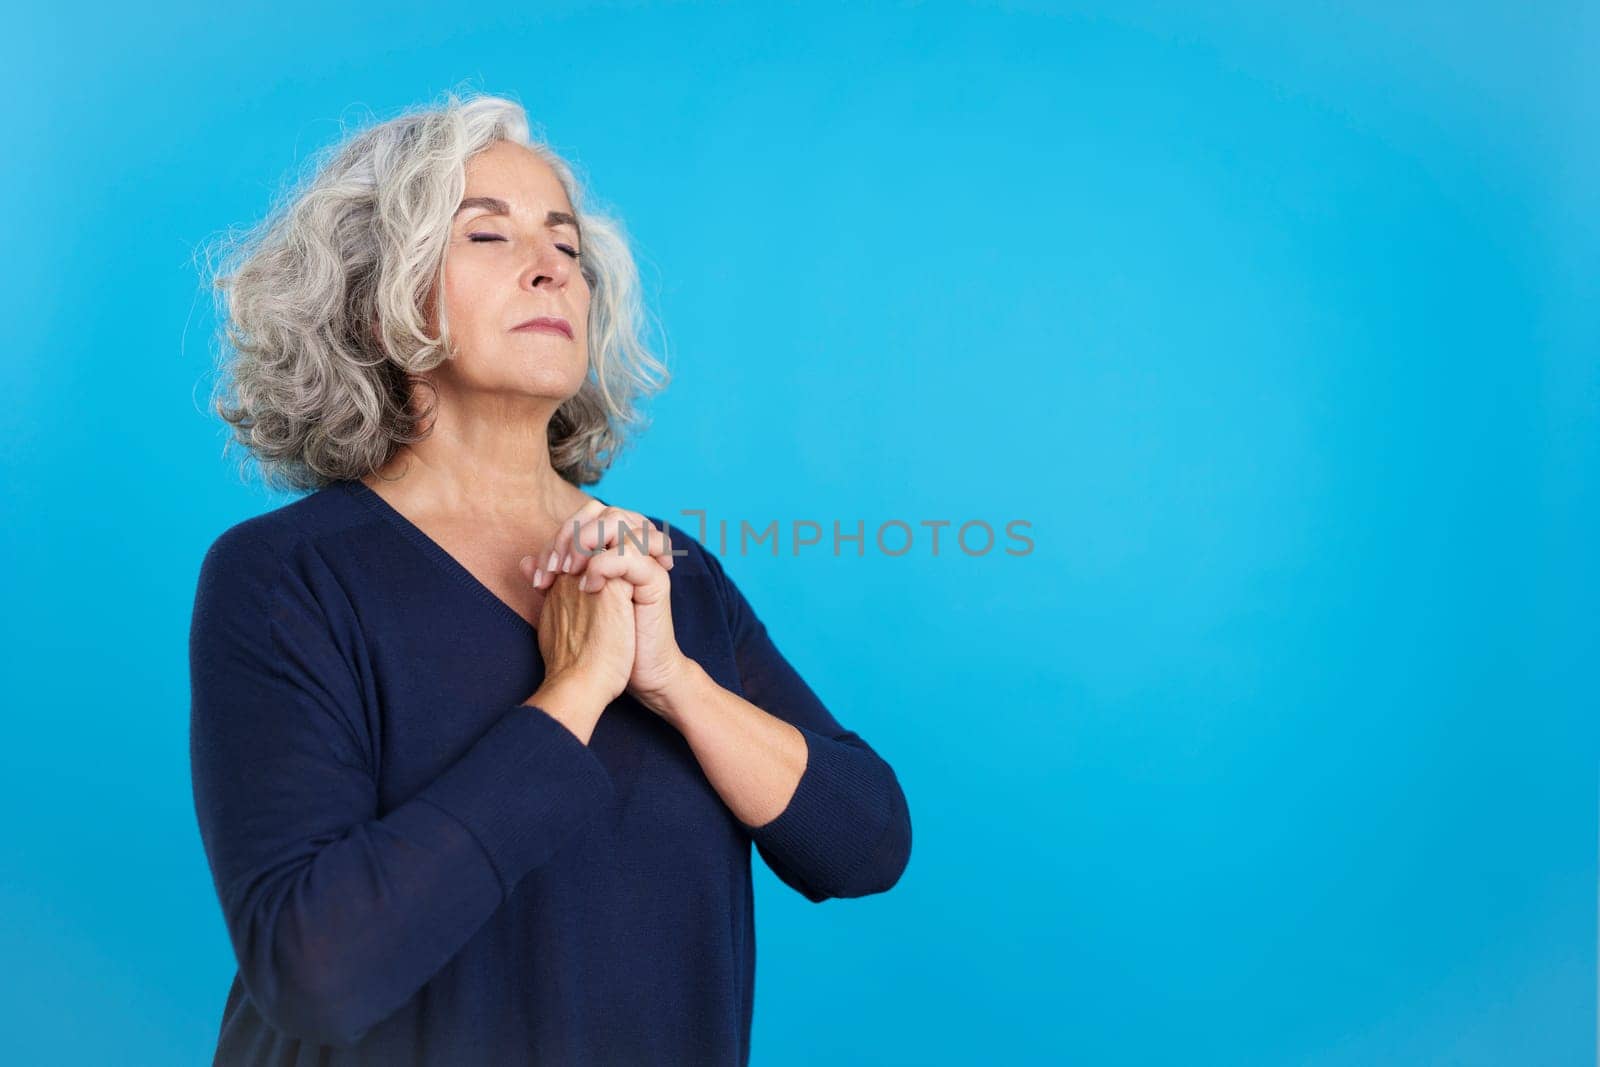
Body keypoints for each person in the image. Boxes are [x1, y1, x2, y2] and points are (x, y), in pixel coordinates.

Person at [188, 90, 912, 1066]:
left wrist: (678, 685)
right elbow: (319, 969)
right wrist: (570, 693)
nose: (549, 270)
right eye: (486, 236)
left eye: (566, 248)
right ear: (377, 292)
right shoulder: (288, 576)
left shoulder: (668, 574)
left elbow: (865, 840)